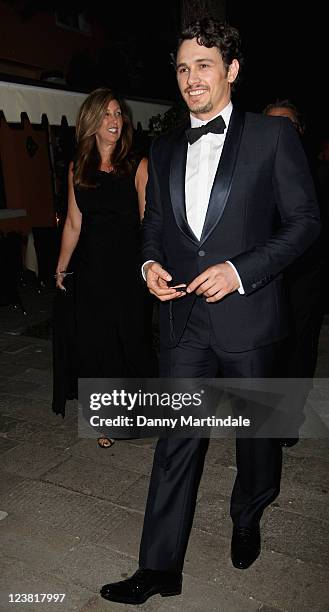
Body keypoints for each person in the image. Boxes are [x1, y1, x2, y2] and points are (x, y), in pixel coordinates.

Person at [100, 19, 320, 604]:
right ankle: (158, 568)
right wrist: (149, 267)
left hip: (249, 322)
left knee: (256, 443)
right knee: (175, 443)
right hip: (183, 325)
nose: (191, 78)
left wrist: (240, 270)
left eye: (203, 65)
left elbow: (305, 225)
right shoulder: (166, 146)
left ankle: (248, 512)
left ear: (232, 70)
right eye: (181, 67)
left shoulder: (273, 138)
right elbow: (154, 228)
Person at [52, 88, 157, 446]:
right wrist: (61, 267)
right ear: (92, 122)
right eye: (107, 114)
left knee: (133, 342)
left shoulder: (138, 165)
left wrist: (151, 268)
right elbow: (72, 223)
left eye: (117, 114)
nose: (114, 121)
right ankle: (107, 422)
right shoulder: (77, 168)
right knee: (99, 347)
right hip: (93, 272)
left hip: (129, 272)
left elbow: (150, 223)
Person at [264, 100, 324, 382]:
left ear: (299, 130)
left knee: (299, 347)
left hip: (304, 276)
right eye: (273, 125)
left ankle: (289, 413)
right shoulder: (248, 172)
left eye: (288, 125)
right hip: (258, 276)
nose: (281, 132)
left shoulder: (319, 174)